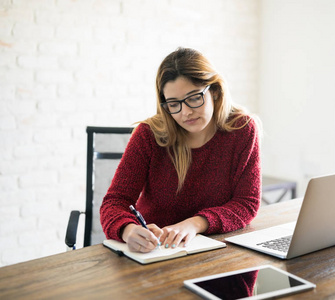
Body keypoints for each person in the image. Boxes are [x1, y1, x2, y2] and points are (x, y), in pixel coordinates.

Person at [100, 47, 261, 253]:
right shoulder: (148, 135)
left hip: (219, 251)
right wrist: (128, 229)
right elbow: (115, 202)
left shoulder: (241, 129)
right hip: (157, 252)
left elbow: (247, 203)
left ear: (215, 91)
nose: (185, 112)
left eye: (194, 98)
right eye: (174, 104)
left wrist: (194, 224)